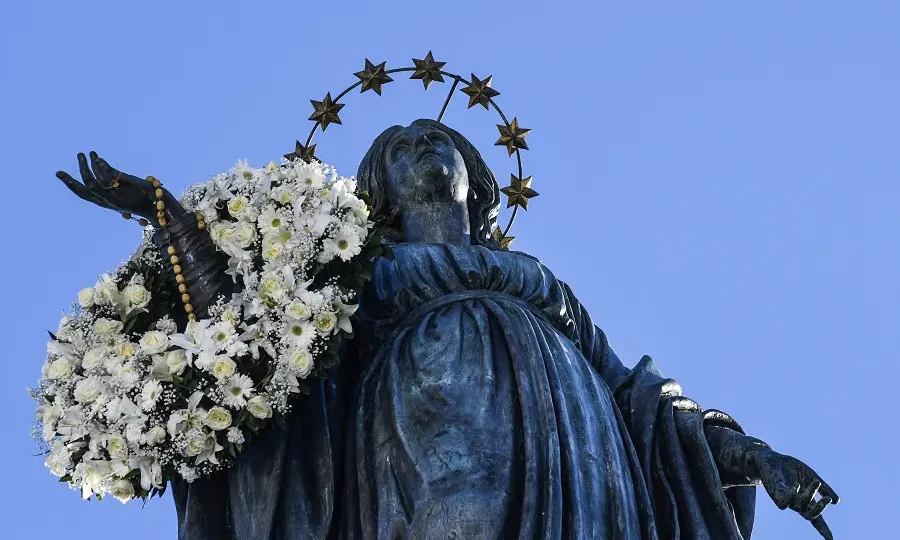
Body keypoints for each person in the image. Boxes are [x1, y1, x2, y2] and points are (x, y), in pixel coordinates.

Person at [55, 120, 838, 539]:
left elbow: (639, 400)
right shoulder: (358, 273)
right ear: (382, 189)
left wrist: (753, 456)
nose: (421, 148)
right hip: (417, 444)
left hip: (582, 461)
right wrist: (177, 224)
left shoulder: (543, 285)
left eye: (435, 139)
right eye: (399, 148)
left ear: (474, 173)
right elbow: (255, 364)